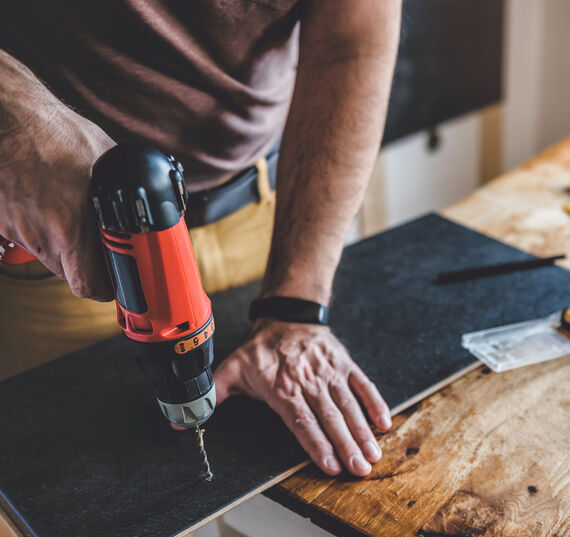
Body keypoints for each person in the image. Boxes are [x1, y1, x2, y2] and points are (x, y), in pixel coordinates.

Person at [0, 0, 402, 482]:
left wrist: (296, 306)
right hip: (55, 240)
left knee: (294, 483)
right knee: (94, 518)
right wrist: (15, 120)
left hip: (270, 217)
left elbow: (349, 44)